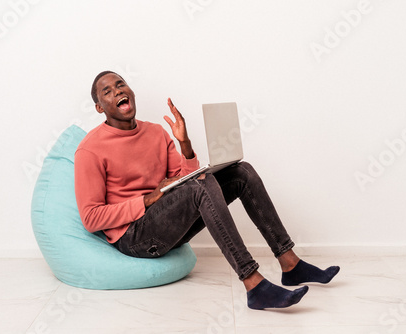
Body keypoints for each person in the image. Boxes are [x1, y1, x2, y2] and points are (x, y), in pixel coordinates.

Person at [74, 71, 340, 310]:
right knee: (200, 186)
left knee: (241, 172)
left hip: (164, 221)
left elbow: (186, 178)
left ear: (130, 92)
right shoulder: (91, 149)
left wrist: (185, 144)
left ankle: (290, 263)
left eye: (121, 84)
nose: (118, 91)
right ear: (99, 107)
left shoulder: (155, 132)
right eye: (107, 91)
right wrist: (146, 200)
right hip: (134, 236)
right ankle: (253, 283)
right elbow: (91, 218)